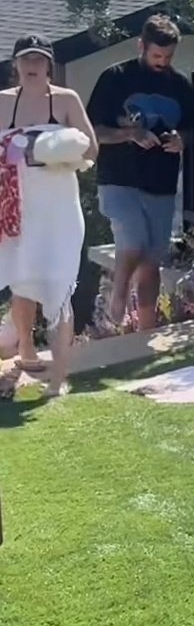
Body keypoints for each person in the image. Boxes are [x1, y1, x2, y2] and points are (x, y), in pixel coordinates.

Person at [0, 33, 98, 395]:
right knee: (21, 281)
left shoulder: (66, 100)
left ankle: (58, 381)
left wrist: (51, 153)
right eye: (26, 59)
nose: (32, 65)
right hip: (18, 211)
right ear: (15, 64)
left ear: (49, 65)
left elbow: (91, 150)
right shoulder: (2, 102)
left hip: (59, 212)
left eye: (39, 59)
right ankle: (25, 349)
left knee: (59, 287)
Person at [87, 14, 194, 329]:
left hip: (161, 182)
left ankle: (145, 331)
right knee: (133, 240)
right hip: (119, 178)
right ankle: (119, 294)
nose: (162, 62)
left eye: (168, 56)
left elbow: (191, 129)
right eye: (156, 55)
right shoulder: (115, 78)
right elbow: (94, 130)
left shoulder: (180, 85)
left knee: (151, 261)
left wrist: (181, 140)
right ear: (141, 46)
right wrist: (130, 134)